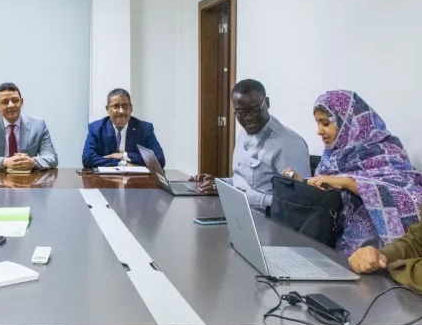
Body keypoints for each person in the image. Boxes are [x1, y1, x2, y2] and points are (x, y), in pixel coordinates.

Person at [284, 90, 422, 256]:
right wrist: (302, 181)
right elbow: (329, 193)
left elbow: (412, 198)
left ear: (348, 123)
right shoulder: (333, 155)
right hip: (334, 246)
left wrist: (348, 183)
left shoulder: (385, 150)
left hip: (377, 254)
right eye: (317, 123)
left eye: (325, 123)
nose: (319, 131)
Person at [190, 79, 310, 210]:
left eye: (254, 110)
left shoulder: (288, 144)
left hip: (266, 218)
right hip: (238, 210)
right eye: (241, 112)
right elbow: (242, 181)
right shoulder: (245, 133)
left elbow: (296, 203)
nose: (248, 118)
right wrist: (219, 184)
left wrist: (238, 195)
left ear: (267, 103)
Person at [0, 82, 58, 171]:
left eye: (15, 100)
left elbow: (52, 157)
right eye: (5, 102)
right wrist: (4, 162)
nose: (11, 105)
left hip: (28, 178)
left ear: (21, 102)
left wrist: (34, 162)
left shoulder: (38, 125)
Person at [82, 88, 166, 168]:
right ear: (107, 109)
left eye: (125, 106)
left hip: (136, 177)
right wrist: (122, 163)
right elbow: (87, 159)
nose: (121, 111)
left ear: (131, 108)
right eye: (116, 106)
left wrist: (124, 155)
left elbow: (159, 160)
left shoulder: (145, 128)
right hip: (104, 177)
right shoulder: (96, 128)